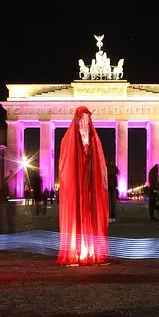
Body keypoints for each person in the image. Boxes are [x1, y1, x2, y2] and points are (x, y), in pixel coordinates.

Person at [57, 106, 109, 266]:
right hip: (76, 191)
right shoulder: (68, 142)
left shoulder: (95, 143)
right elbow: (65, 169)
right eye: (82, 120)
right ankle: (76, 250)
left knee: (91, 214)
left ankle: (91, 248)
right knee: (76, 217)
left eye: (87, 119)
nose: (85, 123)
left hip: (91, 191)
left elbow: (100, 169)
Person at [107, 158, 120, 222]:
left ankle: (108, 216)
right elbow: (119, 173)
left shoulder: (105, 167)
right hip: (113, 187)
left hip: (107, 186)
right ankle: (113, 216)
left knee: (108, 202)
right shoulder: (114, 167)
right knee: (113, 202)